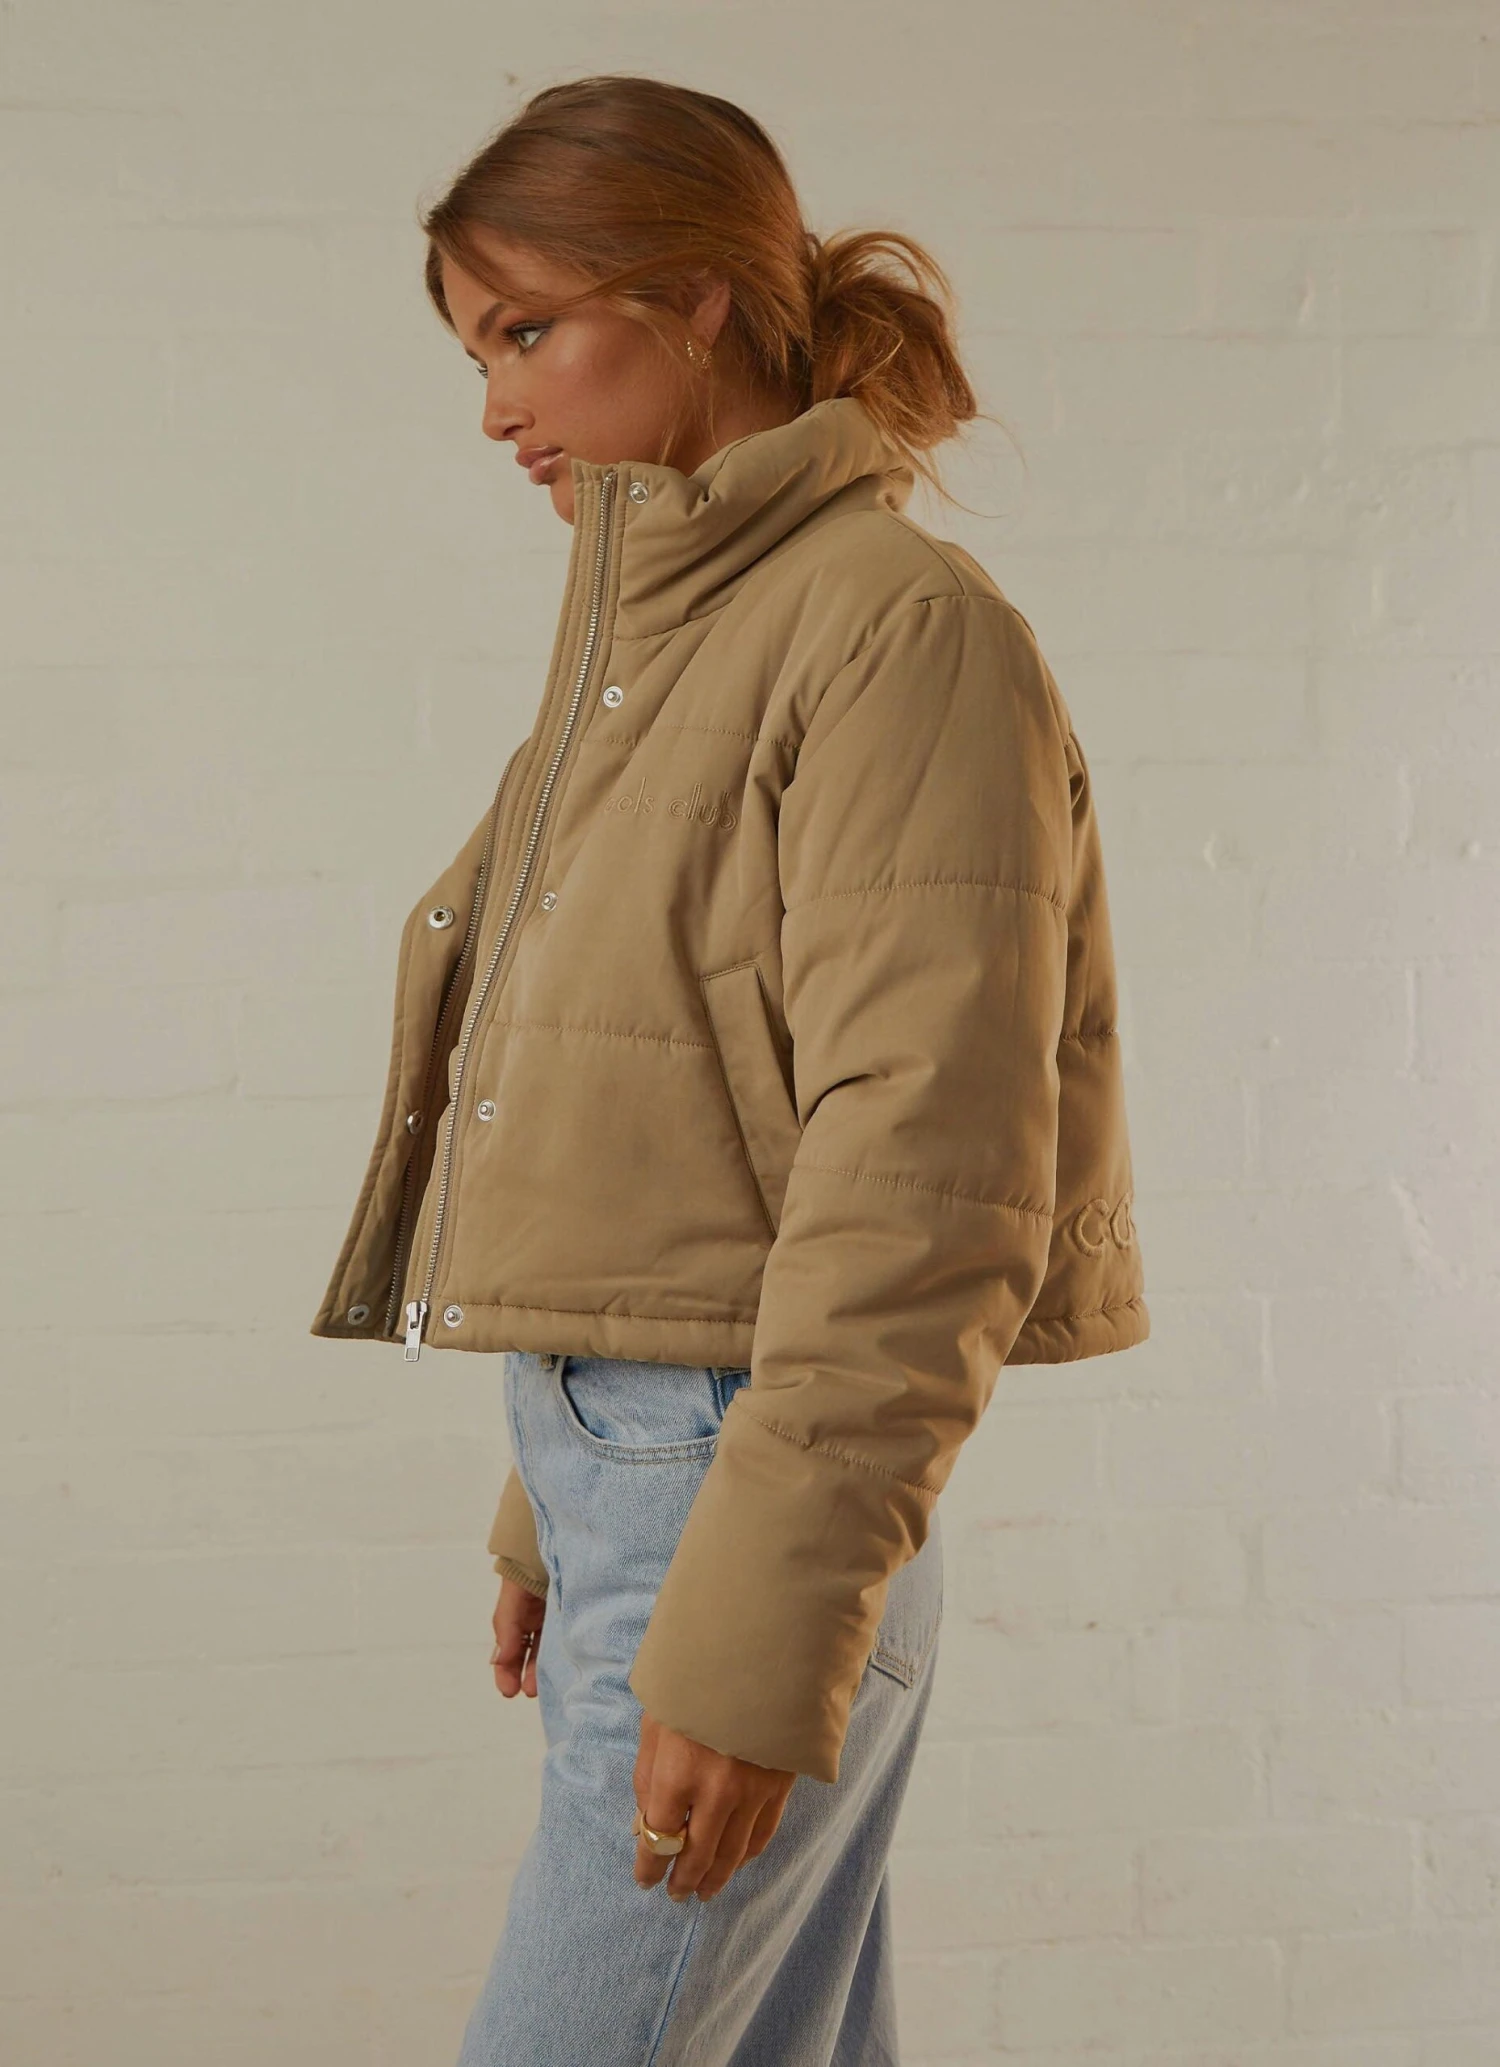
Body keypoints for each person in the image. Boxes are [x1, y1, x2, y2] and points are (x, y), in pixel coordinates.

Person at [309, 71, 1149, 2067]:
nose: (496, 406)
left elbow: (924, 1171)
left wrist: (756, 1620)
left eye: (527, 330)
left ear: (695, 298)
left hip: (747, 1501)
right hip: (661, 1479)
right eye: (474, 352)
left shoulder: (893, 631)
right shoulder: (661, 642)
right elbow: (675, 1098)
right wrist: (552, 1493)